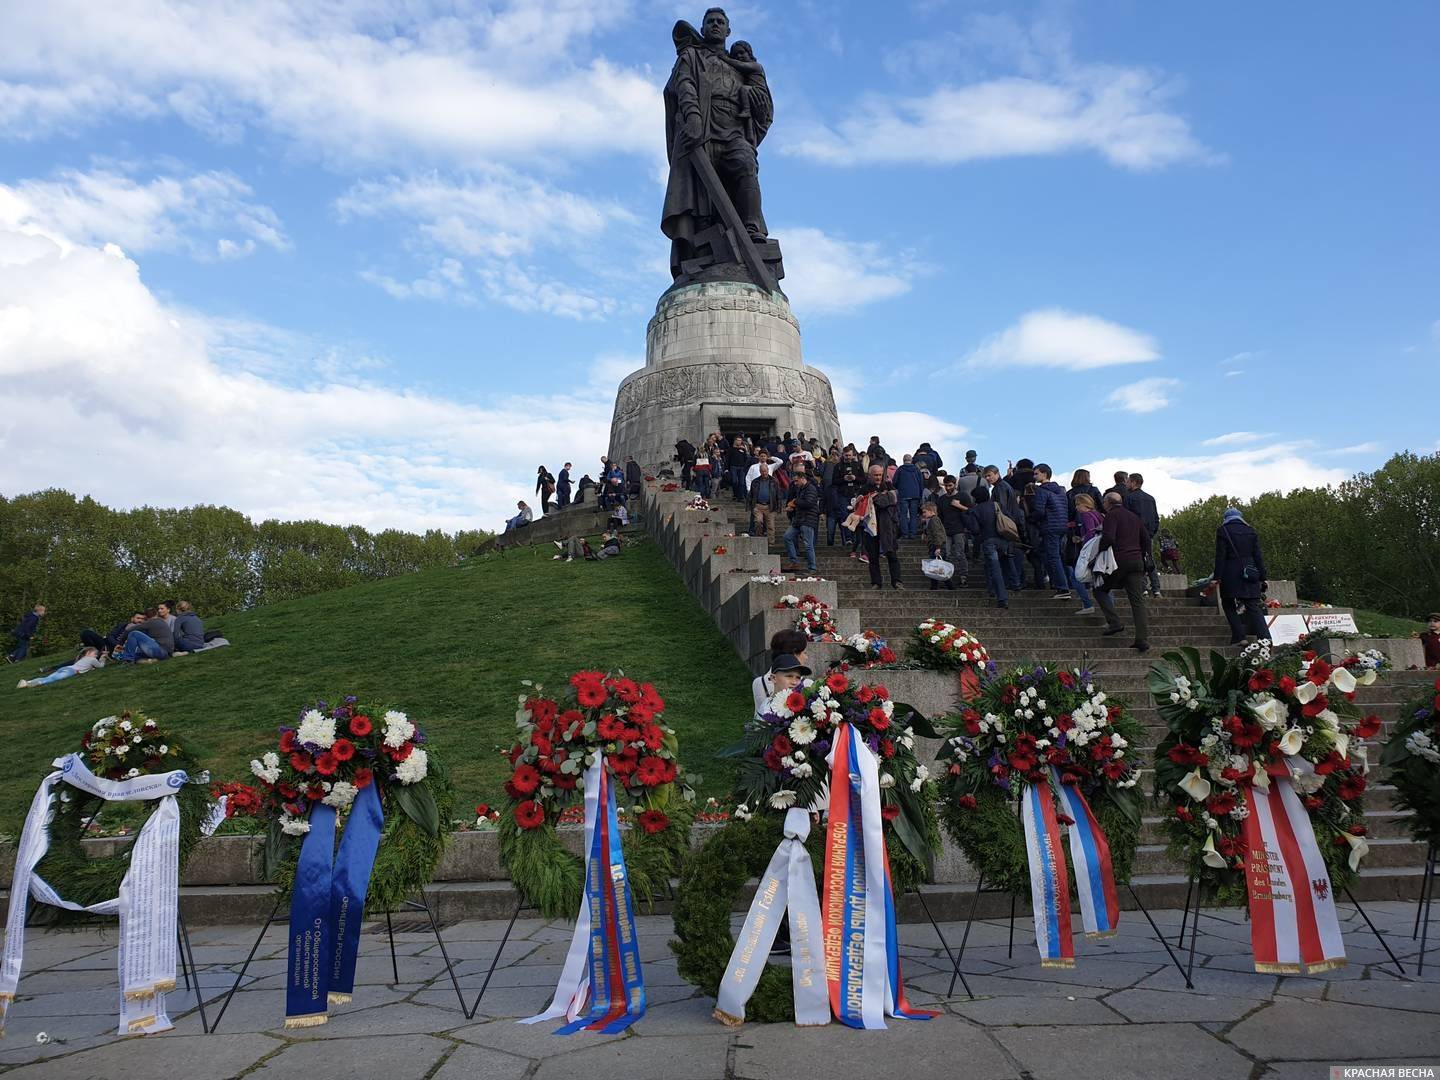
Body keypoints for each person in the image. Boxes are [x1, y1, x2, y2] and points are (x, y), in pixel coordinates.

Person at [1093, 492, 1150, 652]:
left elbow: (1109, 538)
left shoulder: (1111, 516)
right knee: (1137, 601)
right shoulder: (1134, 517)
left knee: (1100, 590)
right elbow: (1146, 540)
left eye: (1104, 502)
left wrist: (1097, 552)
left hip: (1119, 561)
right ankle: (1142, 639)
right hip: (1136, 561)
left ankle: (1114, 622)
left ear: (1107, 503)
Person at [1213, 508, 1271, 645]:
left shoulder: (1223, 531)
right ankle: (1265, 638)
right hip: (1250, 572)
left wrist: (1217, 577)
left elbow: (1220, 556)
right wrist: (1263, 577)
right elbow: (1258, 556)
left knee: (1228, 603)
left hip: (1230, 573)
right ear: (1240, 517)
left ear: (1226, 518)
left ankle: (1240, 637)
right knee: (1252, 605)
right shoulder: (1251, 531)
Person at [857, 464, 902, 589]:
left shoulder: (888, 486)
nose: (878, 477)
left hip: (887, 526)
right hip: (871, 527)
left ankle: (897, 581)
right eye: (875, 475)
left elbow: (890, 501)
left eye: (880, 475)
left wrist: (877, 498)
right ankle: (876, 582)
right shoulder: (864, 489)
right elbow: (859, 506)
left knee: (892, 554)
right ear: (870, 475)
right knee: (873, 557)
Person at [1031, 464, 1072, 600]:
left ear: (1044, 474)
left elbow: (1039, 511)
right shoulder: (1061, 490)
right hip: (1061, 526)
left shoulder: (1041, 491)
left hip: (1049, 527)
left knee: (1053, 557)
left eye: (1036, 474)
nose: (1034, 476)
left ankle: (1062, 587)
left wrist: (1031, 519)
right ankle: (1062, 582)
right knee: (1049, 553)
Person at [965, 486, 1010, 609]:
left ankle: (1002, 598)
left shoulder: (976, 510)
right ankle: (1010, 586)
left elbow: (975, 530)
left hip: (988, 540)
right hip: (1003, 539)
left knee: (994, 569)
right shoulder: (996, 505)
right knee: (996, 565)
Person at [982, 465, 1024, 590]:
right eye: (986, 476)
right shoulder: (1004, 486)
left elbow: (1002, 508)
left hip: (1005, 524)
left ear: (997, 473)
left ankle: (1013, 582)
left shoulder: (999, 488)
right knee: (1008, 555)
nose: (988, 478)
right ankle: (1015, 582)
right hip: (1011, 523)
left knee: (1007, 556)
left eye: (989, 475)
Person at [752, 629, 810, 712]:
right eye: (804, 653)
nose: (806, 657)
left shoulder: (758, 682)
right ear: (794, 654)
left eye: (797, 677)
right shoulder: (806, 684)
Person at [1124, 473, 1162, 596]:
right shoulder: (1150, 498)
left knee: (1138, 561)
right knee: (1149, 560)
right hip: (1148, 534)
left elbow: (1127, 518)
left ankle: (1143, 587)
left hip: (1134, 535)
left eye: (1128, 481)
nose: (1126, 483)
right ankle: (1156, 588)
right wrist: (1152, 532)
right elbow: (1156, 518)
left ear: (1133, 482)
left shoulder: (1128, 497)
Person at [1068, 493, 1104, 615]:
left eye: (1078, 504)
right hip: (1100, 551)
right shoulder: (1097, 514)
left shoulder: (1085, 515)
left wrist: (1084, 545)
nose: (1077, 507)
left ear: (1084, 504)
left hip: (1090, 552)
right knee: (1100, 580)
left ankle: (1087, 603)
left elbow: (1090, 532)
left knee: (1075, 576)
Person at [782, 471, 821, 573]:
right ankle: (794, 562)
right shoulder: (800, 489)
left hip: (808, 520)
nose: (795, 483)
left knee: (808, 544)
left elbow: (808, 503)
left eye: (796, 481)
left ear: (802, 478)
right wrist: (793, 508)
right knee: (787, 537)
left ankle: (812, 567)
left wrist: (795, 502)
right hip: (799, 519)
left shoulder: (811, 488)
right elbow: (802, 504)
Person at [936, 475, 970, 586]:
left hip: (959, 529)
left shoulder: (963, 496)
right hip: (946, 529)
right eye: (946, 486)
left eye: (950, 485)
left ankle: (964, 576)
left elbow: (971, 511)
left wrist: (959, 506)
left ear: (955, 484)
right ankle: (948, 578)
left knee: (960, 553)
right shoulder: (941, 500)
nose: (948, 488)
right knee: (947, 554)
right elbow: (939, 516)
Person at [17, 646, 105, 689]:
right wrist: (102, 659)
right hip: (71, 671)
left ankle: (28, 682)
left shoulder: (83, 659)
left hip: (66, 668)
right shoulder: (92, 659)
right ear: (89, 653)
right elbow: (100, 666)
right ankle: (37, 683)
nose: (96, 655)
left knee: (49, 677)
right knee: (53, 679)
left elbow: (86, 668)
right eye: (95, 654)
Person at [921, 503, 954, 592]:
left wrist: (938, 547)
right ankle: (936, 585)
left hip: (937, 547)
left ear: (931, 511)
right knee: (936, 567)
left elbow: (937, 534)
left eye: (925, 512)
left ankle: (944, 585)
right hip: (936, 545)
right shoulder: (932, 520)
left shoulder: (934, 520)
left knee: (936, 567)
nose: (923, 514)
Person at [748, 458, 782, 537]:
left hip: (770, 506)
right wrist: (750, 506)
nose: (764, 473)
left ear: (768, 470)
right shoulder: (755, 481)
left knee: (771, 526)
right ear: (760, 472)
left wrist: (778, 508)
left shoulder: (774, 481)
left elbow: (778, 495)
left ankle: (771, 543)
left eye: (765, 471)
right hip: (758, 505)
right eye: (762, 471)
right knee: (758, 522)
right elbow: (751, 495)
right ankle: (759, 538)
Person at [893, 454, 924, 539]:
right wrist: (920, 495)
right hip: (915, 495)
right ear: (911, 460)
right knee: (913, 515)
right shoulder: (917, 470)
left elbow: (894, 482)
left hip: (903, 494)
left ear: (903, 460)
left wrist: (899, 487)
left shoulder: (900, 469)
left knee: (903, 515)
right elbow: (921, 483)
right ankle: (913, 533)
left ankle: (905, 533)